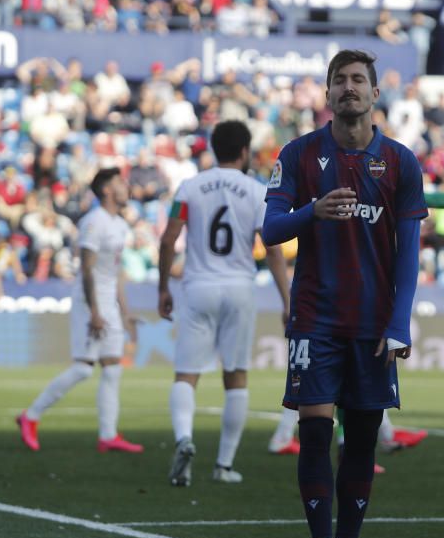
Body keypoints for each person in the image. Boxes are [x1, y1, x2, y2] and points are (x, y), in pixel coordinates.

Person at [261, 50, 427, 538]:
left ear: (375, 94)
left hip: (374, 323)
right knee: (314, 431)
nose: (349, 88)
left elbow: (408, 251)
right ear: (327, 94)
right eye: (340, 81)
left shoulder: (400, 161)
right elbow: (269, 230)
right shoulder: (299, 154)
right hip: (315, 317)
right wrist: (313, 211)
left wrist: (399, 322)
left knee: (361, 435)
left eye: (359, 80)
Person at [266, 181, 444, 457]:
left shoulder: (373, 183)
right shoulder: (328, 180)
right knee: (342, 378)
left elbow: (429, 198)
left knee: (347, 377)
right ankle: (344, 446)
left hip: (358, 297)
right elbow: (276, 224)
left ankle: (370, 439)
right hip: (334, 301)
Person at [158, 121, 291, 487]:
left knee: (186, 373)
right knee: (236, 376)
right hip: (238, 288)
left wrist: (162, 289)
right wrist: (286, 300)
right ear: (245, 151)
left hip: (198, 286)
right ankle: (224, 465)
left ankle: (185, 438)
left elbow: (169, 240)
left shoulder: (189, 187)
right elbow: (274, 247)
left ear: (214, 150)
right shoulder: (257, 190)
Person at [17, 167, 143, 453]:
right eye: (120, 183)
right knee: (84, 369)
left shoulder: (120, 225)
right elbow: (86, 269)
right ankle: (30, 416)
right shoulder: (93, 222)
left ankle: (108, 435)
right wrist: (95, 310)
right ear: (107, 190)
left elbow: (116, 272)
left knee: (113, 368)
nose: (126, 187)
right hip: (90, 301)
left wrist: (125, 313)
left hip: (109, 302)